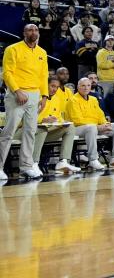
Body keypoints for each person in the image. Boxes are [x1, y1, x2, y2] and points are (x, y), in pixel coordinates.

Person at [0, 24, 49, 181]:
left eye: (35, 30)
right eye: (29, 30)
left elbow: (43, 76)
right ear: (24, 33)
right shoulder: (13, 49)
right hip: (17, 95)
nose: (33, 32)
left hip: (35, 95)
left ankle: (26, 167)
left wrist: (44, 96)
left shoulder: (42, 52)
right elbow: (7, 72)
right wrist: (17, 90)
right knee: (9, 132)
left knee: (30, 132)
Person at [65, 77, 114, 170]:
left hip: (95, 127)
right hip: (77, 129)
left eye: (88, 85)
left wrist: (106, 124)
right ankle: (93, 160)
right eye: (83, 86)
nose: (86, 88)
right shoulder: (73, 100)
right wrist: (98, 127)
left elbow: (100, 115)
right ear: (78, 87)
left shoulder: (93, 99)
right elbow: (77, 120)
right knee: (91, 128)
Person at [32, 77, 81, 174]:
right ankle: (33, 163)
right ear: (46, 85)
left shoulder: (57, 99)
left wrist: (62, 123)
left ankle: (63, 161)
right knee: (42, 128)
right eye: (52, 86)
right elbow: (25, 119)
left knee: (70, 127)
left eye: (57, 87)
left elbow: (58, 117)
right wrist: (42, 120)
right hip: (29, 131)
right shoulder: (36, 97)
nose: (54, 89)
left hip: (46, 132)